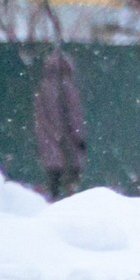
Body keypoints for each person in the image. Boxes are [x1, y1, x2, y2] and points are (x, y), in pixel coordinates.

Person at [33, 48, 84, 201]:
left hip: (48, 140)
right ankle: (67, 200)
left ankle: (53, 199)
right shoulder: (66, 87)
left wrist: (51, 133)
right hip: (67, 142)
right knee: (70, 177)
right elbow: (73, 116)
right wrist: (77, 137)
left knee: (54, 175)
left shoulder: (43, 87)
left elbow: (41, 116)